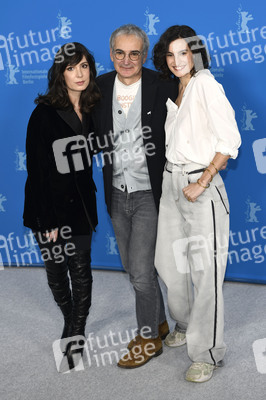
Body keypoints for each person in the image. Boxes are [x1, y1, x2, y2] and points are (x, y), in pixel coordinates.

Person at [153, 25, 241, 382]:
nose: (177, 61)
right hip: (171, 181)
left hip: (200, 185)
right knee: (168, 262)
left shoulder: (206, 84)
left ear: (196, 54)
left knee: (206, 273)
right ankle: (186, 324)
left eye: (184, 53)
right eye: (171, 55)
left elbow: (230, 140)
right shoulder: (175, 87)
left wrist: (202, 181)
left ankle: (206, 352)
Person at [93, 24, 178, 368]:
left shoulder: (163, 85)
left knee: (141, 272)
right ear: (111, 52)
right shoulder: (98, 87)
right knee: (132, 267)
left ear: (144, 55)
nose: (126, 61)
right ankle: (159, 321)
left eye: (134, 53)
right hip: (116, 192)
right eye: (119, 53)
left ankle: (147, 339)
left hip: (148, 194)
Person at [23, 43, 100, 348]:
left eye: (83, 66)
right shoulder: (43, 114)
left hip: (80, 206)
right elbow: (37, 172)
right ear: (60, 73)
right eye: (71, 68)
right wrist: (49, 220)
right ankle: (70, 319)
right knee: (57, 274)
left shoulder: (93, 108)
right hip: (48, 209)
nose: (79, 74)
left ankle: (76, 333)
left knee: (81, 272)